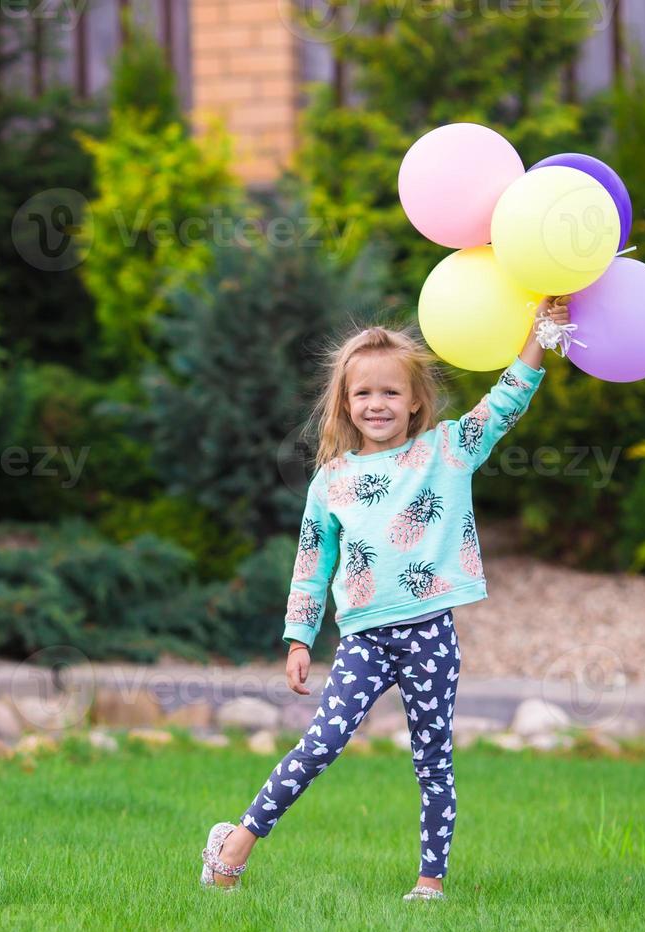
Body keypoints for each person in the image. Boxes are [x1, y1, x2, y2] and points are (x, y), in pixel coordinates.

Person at [198, 298, 567, 901]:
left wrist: (540, 333)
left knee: (434, 759)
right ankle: (235, 843)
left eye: (391, 393)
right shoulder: (332, 479)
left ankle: (429, 883)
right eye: (364, 394)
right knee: (321, 742)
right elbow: (312, 560)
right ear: (346, 403)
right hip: (365, 639)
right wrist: (298, 635)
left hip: (429, 634)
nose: (377, 405)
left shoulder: (446, 451)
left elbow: (506, 401)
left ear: (415, 400)